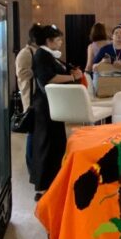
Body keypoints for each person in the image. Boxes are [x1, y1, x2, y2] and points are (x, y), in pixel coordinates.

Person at [30, 26, 83, 201]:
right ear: (49, 41)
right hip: (45, 107)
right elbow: (48, 78)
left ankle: (54, 184)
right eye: (58, 39)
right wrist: (72, 77)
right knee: (46, 145)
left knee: (56, 145)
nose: (61, 42)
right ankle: (43, 187)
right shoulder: (42, 55)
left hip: (55, 106)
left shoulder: (50, 55)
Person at [15, 23, 46, 173]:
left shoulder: (36, 51)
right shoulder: (25, 53)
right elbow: (21, 74)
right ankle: (31, 165)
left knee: (37, 133)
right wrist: (39, 71)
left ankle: (36, 164)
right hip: (31, 98)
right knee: (32, 133)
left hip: (39, 98)